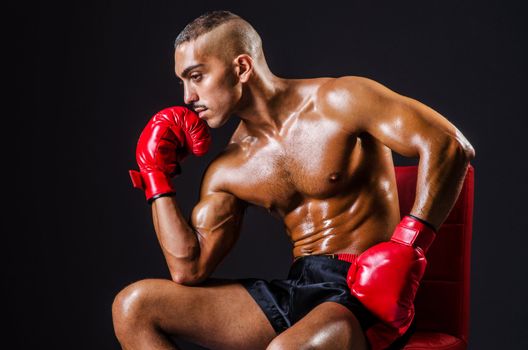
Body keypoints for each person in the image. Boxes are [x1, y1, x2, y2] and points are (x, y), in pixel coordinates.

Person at [112, 10, 475, 350]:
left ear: (241, 67)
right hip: (299, 290)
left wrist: (407, 246)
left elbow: (449, 145)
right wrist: (155, 176)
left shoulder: (340, 100)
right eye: (182, 82)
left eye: (196, 76)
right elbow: (188, 268)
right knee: (134, 307)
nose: (188, 97)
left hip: (365, 293)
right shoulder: (229, 167)